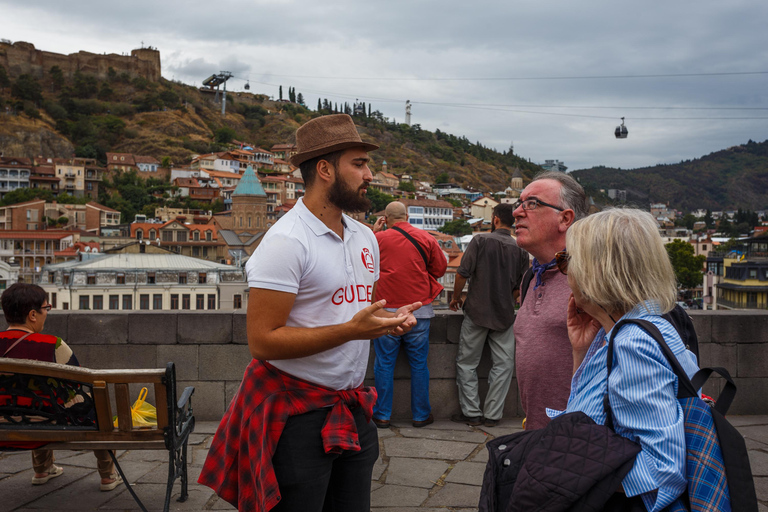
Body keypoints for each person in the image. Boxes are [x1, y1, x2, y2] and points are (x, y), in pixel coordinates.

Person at [198, 114, 420, 512]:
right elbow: (262, 341)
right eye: (359, 163)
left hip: (351, 409)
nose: (370, 174)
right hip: (296, 419)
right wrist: (353, 330)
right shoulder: (285, 242)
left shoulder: (365, 236)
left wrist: (383, 324)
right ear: (324, 169)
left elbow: (349, 314)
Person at [557, 208, 698, 511]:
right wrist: (580, 351)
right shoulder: (630, 330)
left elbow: (663, 469)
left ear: (598, 270)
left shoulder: (634, 344)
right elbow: (592, 421)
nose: (565, 273)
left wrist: (572, 483)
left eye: (567, 261)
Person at [0, 283, 122, 492]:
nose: (47, 314)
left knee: (33, 402)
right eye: (46, 308)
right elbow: (79, 383)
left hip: (3, 421)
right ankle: (108, 475)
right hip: (48, 421)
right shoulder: (52, 345)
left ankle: (42, 469)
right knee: (91, 408)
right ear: (32, 315)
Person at [512, 171, 588, 430]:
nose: (517, 212)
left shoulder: (591, 279)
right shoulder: (532, 275)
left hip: (581, 442)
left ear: (565, 218)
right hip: (537, 436)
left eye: (532, 204)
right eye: (519, 203)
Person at [449, 203, 528, 427]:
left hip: (477, 311)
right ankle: (493, 415)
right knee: (504, 366)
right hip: (504, 315)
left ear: (495, 220)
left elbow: (462, 274)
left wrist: (456, 298)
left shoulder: (480, 241)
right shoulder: (520, 250)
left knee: (467, 363)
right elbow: (519, 288)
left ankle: (471, 412)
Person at [371, 201, 447, 428]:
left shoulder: (378, 239)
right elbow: (440, 269)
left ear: (386, 218)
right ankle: (421, 415)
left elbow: (363, 263)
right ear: (407, 216)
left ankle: (382, 415)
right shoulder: (426, 238)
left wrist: (375, 232)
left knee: (384, 363)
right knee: (419, 365)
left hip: (386, 312)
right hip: (419, 311)